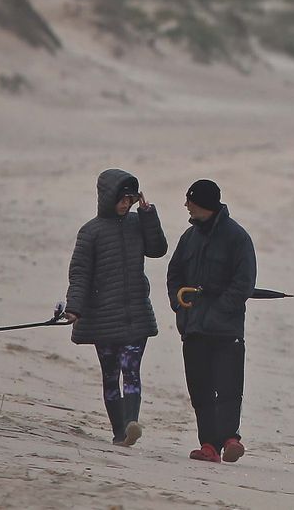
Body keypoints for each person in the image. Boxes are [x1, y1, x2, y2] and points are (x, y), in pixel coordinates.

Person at [64, 169, 167, 447]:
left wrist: (148, 215)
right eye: (122, 199)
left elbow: (158, 249)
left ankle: (132, 423)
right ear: (108, 198)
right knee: (111, 375)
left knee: (131, 368)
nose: (126, 204)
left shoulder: (137, 222)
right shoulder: (91, 232)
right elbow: (80, 274)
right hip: (103, 318)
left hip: (135, 313)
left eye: (131, 199)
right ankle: (119, 432)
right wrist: (74, 307)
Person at [165, 178, 257, 464]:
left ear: (204, 204)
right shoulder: (188, 238)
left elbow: (244, 283)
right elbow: (174, 274)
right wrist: (179, 307)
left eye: (190, 201)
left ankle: (231, 438)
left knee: (228, 386)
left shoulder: (237, 237)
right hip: (193, 328)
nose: (186, 206)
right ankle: (208, 445)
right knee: (200, 388)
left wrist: (217, 312)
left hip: (226, 329)